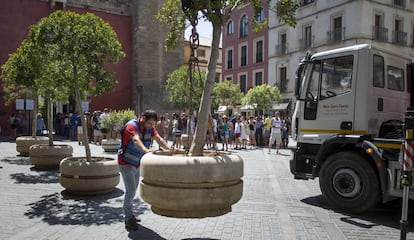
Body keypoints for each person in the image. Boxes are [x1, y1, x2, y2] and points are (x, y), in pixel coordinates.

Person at [117, 109, 170, 231]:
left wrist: (169, 151)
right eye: (150, 124)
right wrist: (146, 150)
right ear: (142, 118)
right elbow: (135, 140)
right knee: (130, 190)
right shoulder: (131, 125)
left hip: (136, 162)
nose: (152, 126)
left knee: (133, 189)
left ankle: (130, 214)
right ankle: (128, 218)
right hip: (126, 162)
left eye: (153, 124)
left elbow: (159, 139)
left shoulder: (150, 127)